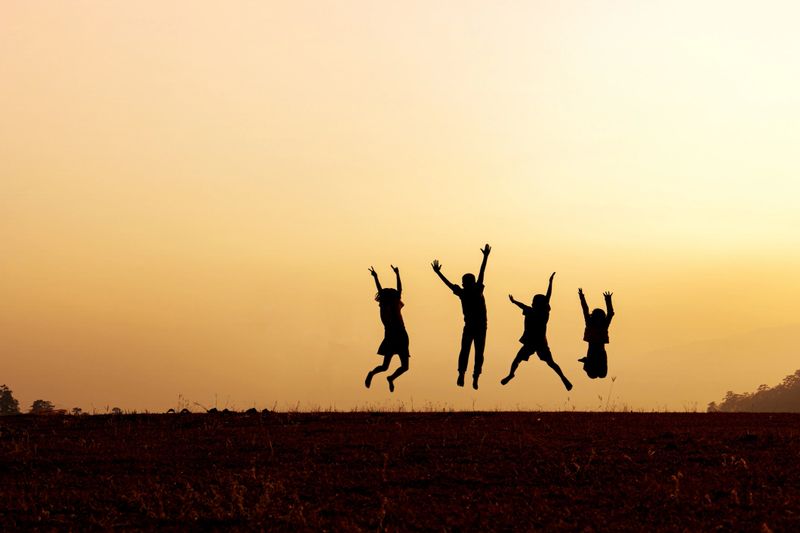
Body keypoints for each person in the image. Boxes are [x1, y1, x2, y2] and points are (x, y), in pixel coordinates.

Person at [431, 244, 491, 389]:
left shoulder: (469, 292)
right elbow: (480, 274)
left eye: (464, 282)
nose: (462, 283)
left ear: (467, 283)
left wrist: (438, 273)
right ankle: (469, 375)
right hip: (477, 327)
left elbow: (450, 284)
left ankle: (469, 375)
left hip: (474, 326)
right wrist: (485, 257)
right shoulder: (471, 291)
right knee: (475, 352)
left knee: (469, 351)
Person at [501, 273, 572, 390]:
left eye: (533, 301)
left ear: (536, 304)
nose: (532, 303)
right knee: (550, 363)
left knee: (518, 360)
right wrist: (550, 283)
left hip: (534, 342)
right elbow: (543, 298)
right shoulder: (540, 312)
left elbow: (543, 298)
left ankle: (511, 374)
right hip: (538, 342)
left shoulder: (536, 312)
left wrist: (514, 301)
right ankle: (563, 378)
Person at [365, 265, 409, 392]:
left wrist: (377, 277)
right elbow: (397, 289)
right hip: (393, 336)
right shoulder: (386, 305)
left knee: (400, 367)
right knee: (387, 366)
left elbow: (397, 289)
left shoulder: (392, 303)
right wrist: (396, 274)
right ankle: (375, 374)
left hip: (399, 335)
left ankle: (389, 378)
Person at [578, 288, 614, 379]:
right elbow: (585, 310)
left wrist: (608, 300)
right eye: (597, 317)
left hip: (600, 353)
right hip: (592, 352)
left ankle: (586, 361)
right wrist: (582, 297)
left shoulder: (604, 325)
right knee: (592, 375)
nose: (598, 319)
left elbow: (610, 313)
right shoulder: (590, 324)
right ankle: (586, 361)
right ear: (593, 317)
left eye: (600, 317)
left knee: (602, 375)